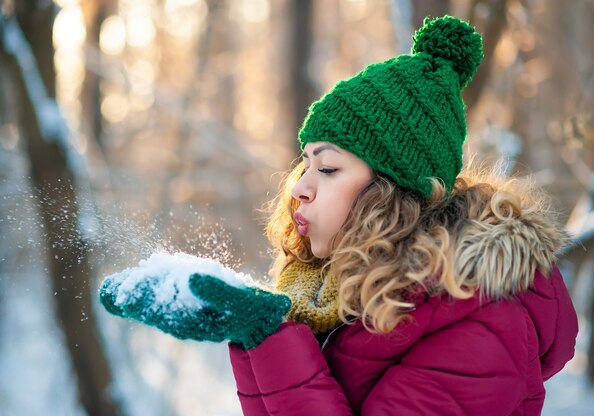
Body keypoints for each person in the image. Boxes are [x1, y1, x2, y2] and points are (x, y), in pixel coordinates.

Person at [100, 15, 578, 415]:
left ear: (394, 191)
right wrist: (255, 335)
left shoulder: (481, 322)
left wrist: (269, 337)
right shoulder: (345, 297)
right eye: (304, 164)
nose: (300, 189)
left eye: (328, 167)